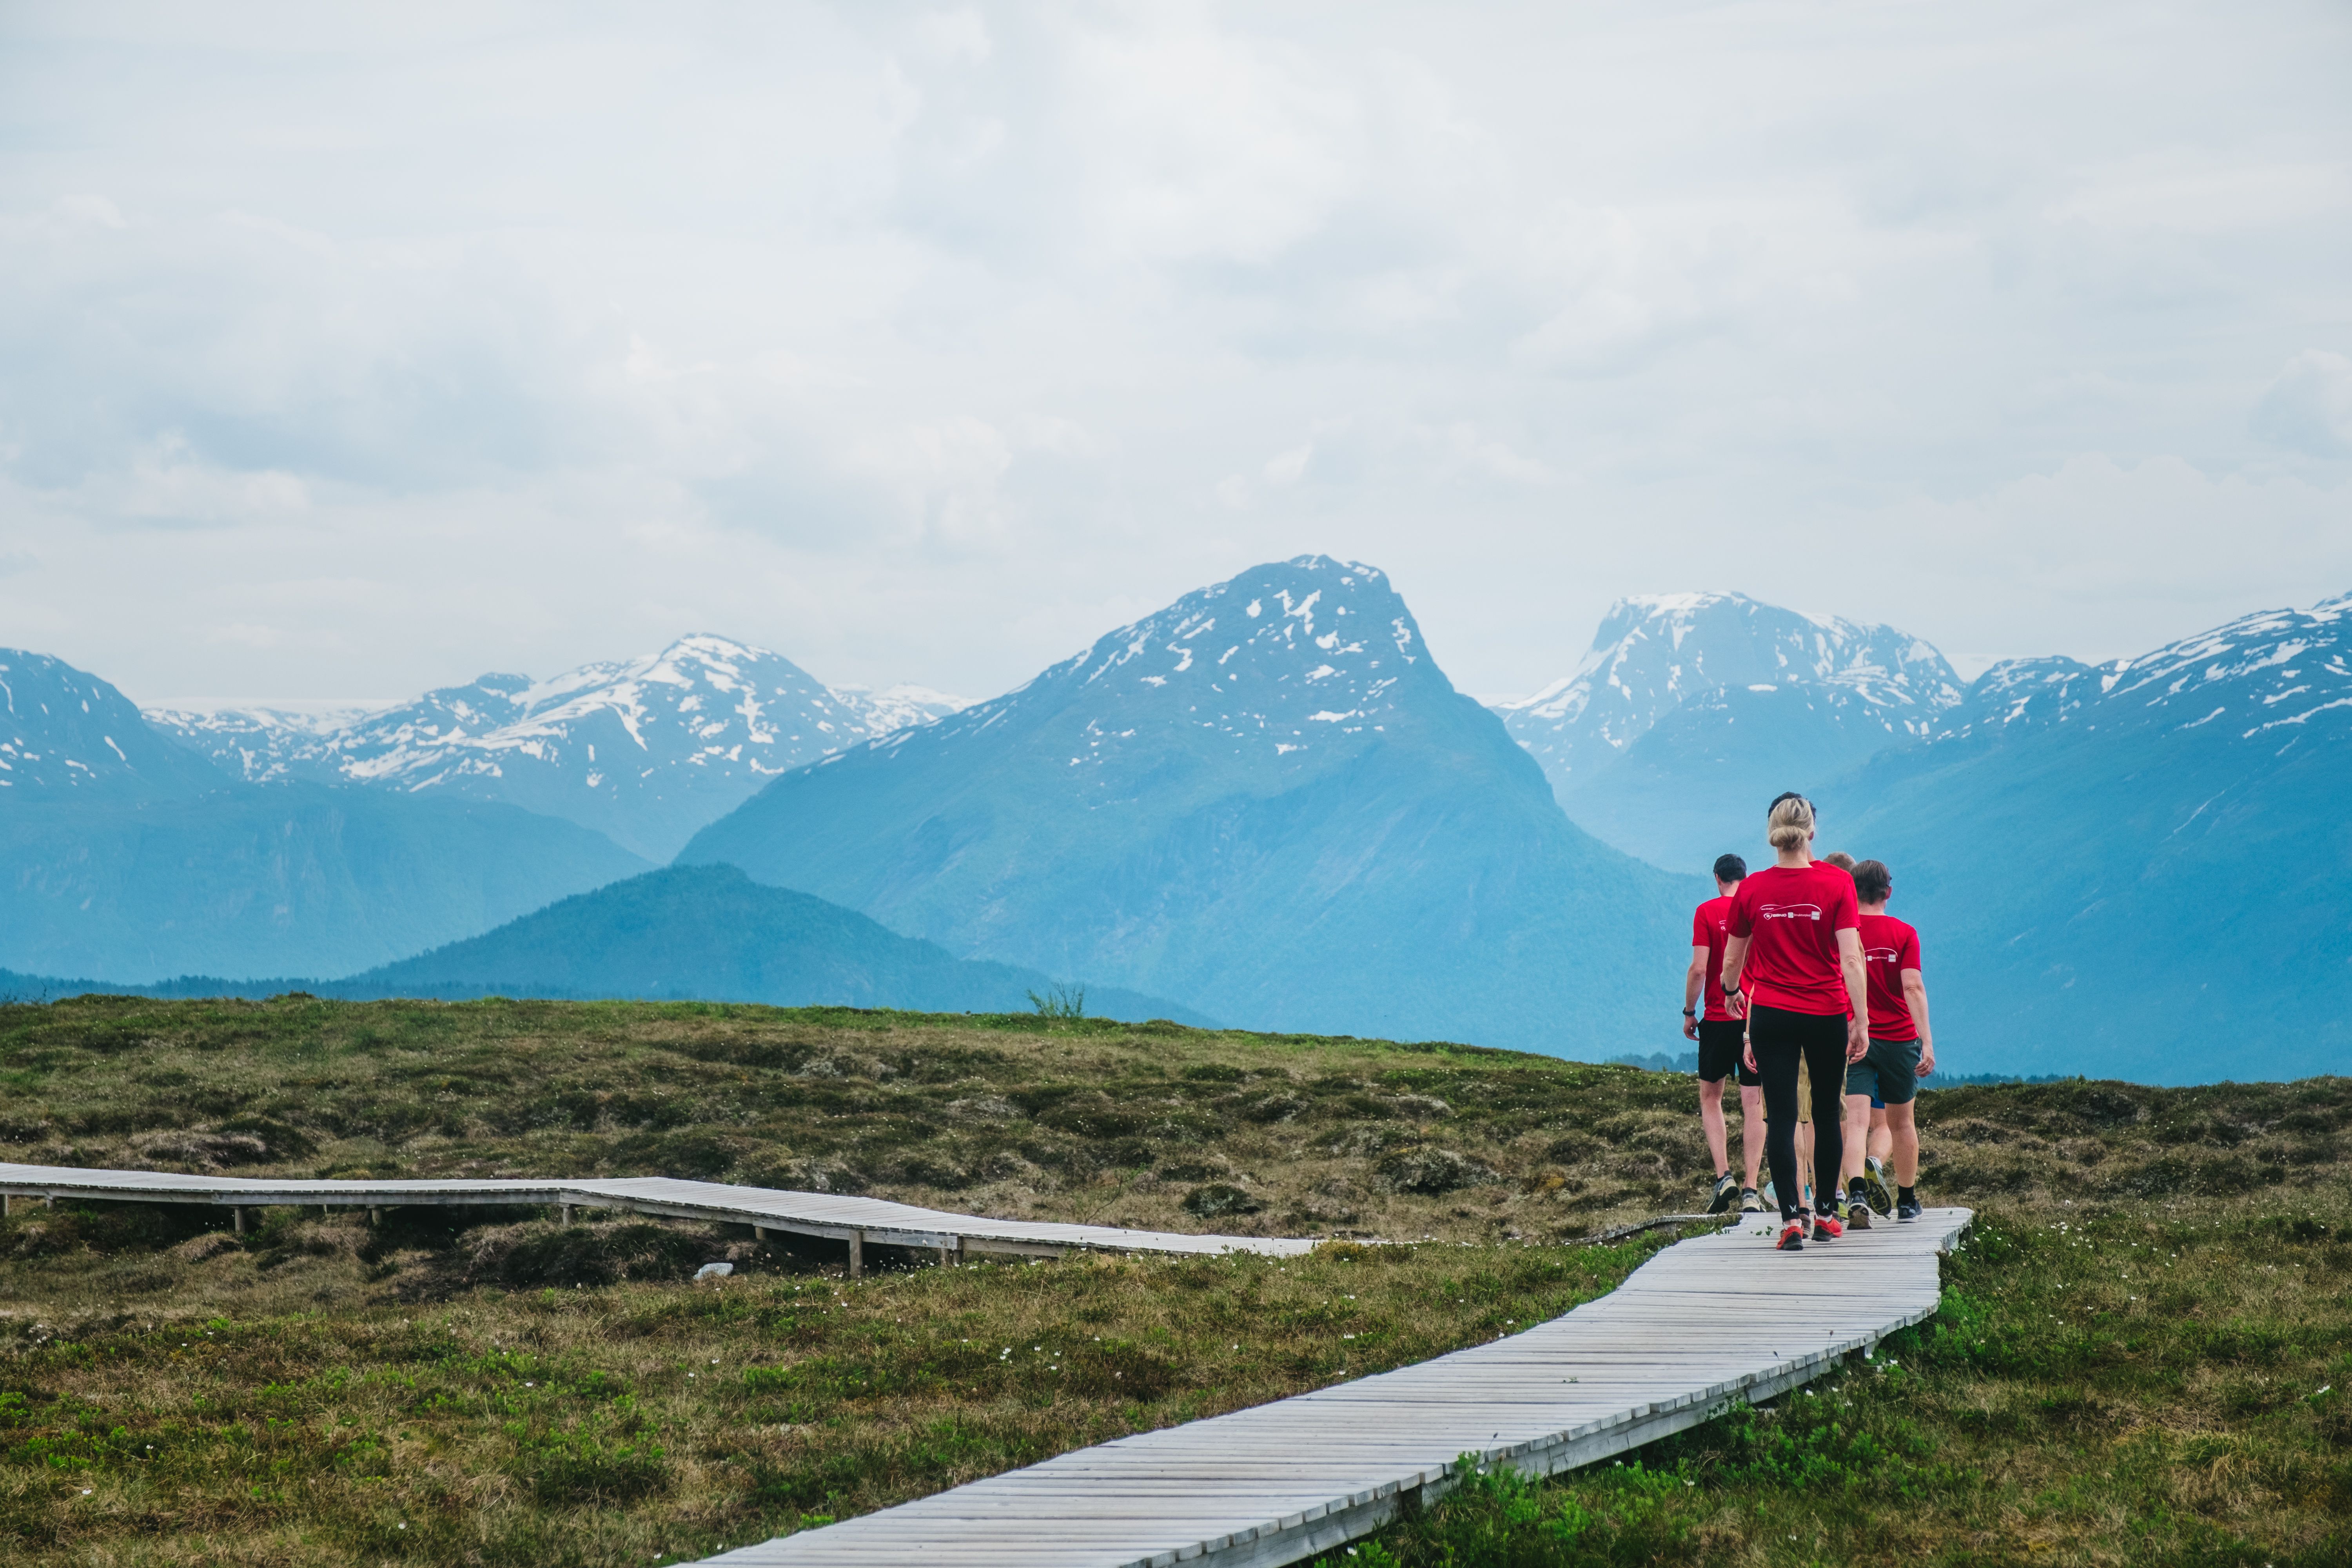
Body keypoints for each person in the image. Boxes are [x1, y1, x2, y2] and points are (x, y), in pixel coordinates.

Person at [1722, 793, 1867, 1252]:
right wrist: (1859, 1019)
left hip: (1771, 1014)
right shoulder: (1838, 884)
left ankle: (1790, 1218)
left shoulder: (1752, 889)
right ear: (1811, 832)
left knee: (1782, 1116)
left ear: (1772, 832)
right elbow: (1852, 958)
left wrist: (1732, 996)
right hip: (1826, 1011)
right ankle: (1826, 1213)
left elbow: (1733, 958)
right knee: (1826, 1114)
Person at [1840, 859, 1935, 1221]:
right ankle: (1908, 1201)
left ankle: (1858, 1195)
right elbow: (1912, 986)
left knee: (1858, 1122)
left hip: (1856, 1038)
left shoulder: (1846, 932)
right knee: (1901, 1123)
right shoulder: (1904, 933)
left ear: (1853, 891)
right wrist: (1926, 1042)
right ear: (1888, 893)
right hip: (1899, 1039)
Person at [1684, 853, 1763, 1213]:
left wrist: (1690, 1012)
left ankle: (1723, 1176)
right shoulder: (1757, 909)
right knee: (1753, 1106)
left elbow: (1700, 969)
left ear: (1717, 878)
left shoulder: (1706, 912)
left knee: (1711, 1098)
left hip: (1717, 1018)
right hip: (1755, 1020)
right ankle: (1751, 1189)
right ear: (1744, 879)